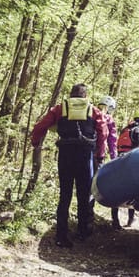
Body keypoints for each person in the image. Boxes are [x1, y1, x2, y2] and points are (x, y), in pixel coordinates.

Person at [30, 83, 108, 248]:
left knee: (65, 195)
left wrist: (35, 142)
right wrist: (100, 155)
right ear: (85, 96)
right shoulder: (93, 110)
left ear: (71, 95)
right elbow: (103, 132)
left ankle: (61, 235)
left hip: (65, 155)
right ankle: (82, 231)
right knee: (84, 194)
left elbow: (40, 127)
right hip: (85, 156)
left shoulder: (59, 109)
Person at [112, 112, 139, 229]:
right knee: (133, 192)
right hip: (131, 164)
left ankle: (115, 221)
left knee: (116, 192)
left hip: (119, 162)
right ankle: (130, 220)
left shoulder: (124, 130)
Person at [95, 95, 118, 171]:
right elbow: (112, 140)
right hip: (99, 154)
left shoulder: (92, 113)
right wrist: (114, 158)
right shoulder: (109, 119)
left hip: (86, 151)